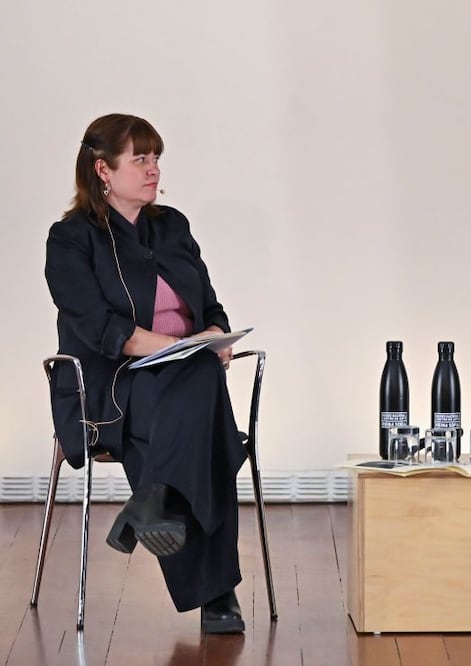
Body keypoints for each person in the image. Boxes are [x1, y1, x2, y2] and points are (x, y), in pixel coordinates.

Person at [44, 114, 248, 634]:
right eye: (140, 158)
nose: (154, 169)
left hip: (183, 383)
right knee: (213, 430)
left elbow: (208, 302)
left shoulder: (172, 225)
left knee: (198, 385)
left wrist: (216, 333)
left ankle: (155, 497)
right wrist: (181, 347)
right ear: (102, 170)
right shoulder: (70, 239)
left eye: (156, 158)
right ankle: (218, 595)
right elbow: (101, 328)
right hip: (113, 388)